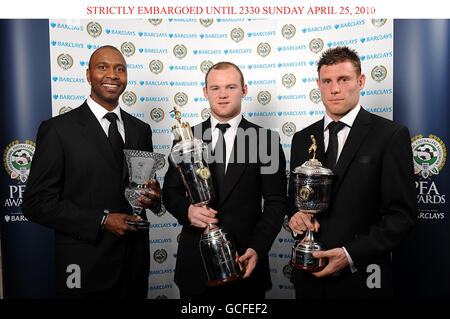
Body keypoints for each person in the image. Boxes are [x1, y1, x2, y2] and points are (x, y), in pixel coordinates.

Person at [22, 45, 161, 298]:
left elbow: (143, 191)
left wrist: (154, 197)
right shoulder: (58, 130)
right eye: (103, 67)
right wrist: (102, 220)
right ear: (88, 75)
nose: (113, 75)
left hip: (134, 266)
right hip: (83, 265)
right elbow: (35, 203)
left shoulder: (141, 129)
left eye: (120, 69)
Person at [287, 46, 416, 299]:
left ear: (361, 81)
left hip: (363, 280)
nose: (335, 89)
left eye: (343, 80)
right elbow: (293, 200)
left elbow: (402, 216)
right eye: (327, 81)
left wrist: (349, 254)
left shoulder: (390, 135)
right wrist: (295, 220)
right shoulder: (302, 139)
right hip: (308, 280)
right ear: (319, 85)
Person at [163, 62, 287, 299]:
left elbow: (276, 201)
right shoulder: (185, 139)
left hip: (245, 262)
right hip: (195, 267)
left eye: (230, 87)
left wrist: (256, 248)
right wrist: (187, 212)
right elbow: (170, 192)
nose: (222, 94)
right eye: (215, 88)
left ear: (244, 90)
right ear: (205, 92)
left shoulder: (266, 141)